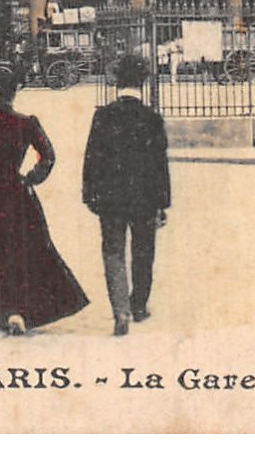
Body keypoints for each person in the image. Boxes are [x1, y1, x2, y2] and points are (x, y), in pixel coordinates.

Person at [0, 65, 88, 334]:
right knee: (20, 250)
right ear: (15, 92)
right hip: (16, 194)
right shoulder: (26, 123)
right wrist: (30, 178)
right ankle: (19, 307)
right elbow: (48, 156)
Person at [83, 54, 170, 336]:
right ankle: (139, 305)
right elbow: (160, 164)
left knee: (113, 252)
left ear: (117, 81)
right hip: (144, 198)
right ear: (143, 82)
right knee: (144, 251)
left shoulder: (103, 116)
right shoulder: (152, 119)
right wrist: (162, 202)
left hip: (110, 197)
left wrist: (90, 195)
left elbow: (92, 159)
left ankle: (120, 309)